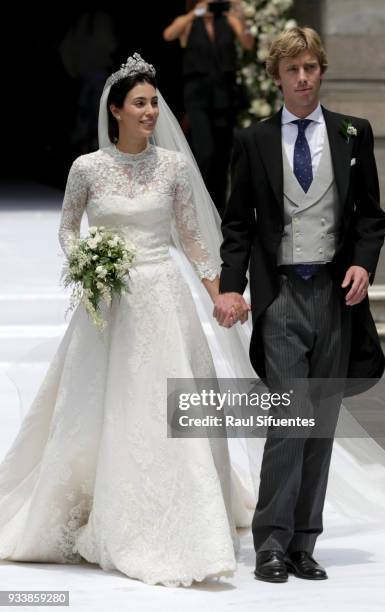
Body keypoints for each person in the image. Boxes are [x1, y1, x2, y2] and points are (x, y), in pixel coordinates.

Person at [0, 53, 250, 587]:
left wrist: (219, 292)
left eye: (154, 102)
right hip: (109, 305)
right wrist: (87, 261)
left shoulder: (175, 169)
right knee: (105, 407)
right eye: (139, 103)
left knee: (163, 404)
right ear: (115, 110)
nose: (150, 111)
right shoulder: (86, 168)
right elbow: (68, 228)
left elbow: (191, 235)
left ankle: (187, 519)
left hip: (162, 298)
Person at [213, 27, 385, 582]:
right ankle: (271, 541)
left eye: (311, 68)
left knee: (321, 423)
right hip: (283, 294)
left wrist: (363, 261)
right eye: (293, 70)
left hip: (337, 297)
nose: (304, 78)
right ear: (278, 77)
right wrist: (230, 287)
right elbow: (238, 224)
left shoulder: (352, 133)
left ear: (321, 71)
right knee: (290, 420)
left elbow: (370, 215)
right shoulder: (254, 141)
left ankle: (303, 543)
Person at [163, 0, 253, 216]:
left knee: (223, 156)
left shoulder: (228, 20)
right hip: (197, 96)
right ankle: (197, 207)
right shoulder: (188, 22)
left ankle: (218, 211)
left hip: (224, 96)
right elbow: (169, 34)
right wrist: (195, 13)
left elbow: (248, 43)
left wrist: (239, 16)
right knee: (205, 152)